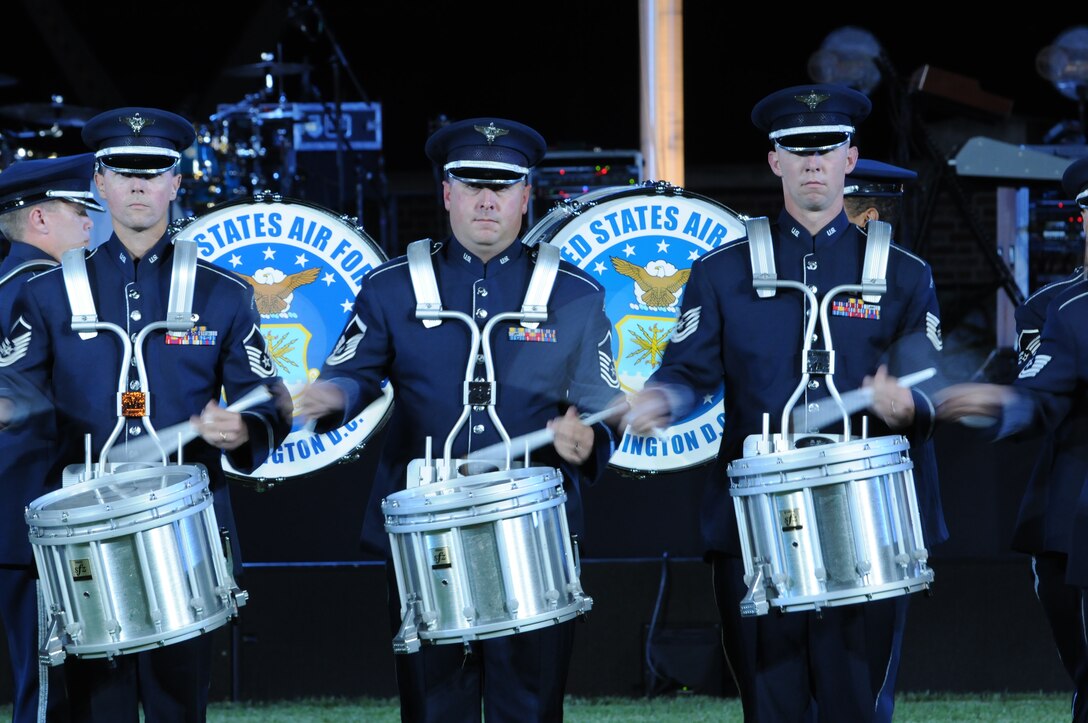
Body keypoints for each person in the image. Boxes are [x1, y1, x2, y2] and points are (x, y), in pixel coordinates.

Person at [620, 84, 947, 722]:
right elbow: (689, 370)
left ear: (851, 158)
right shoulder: (720, 272)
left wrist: (908, 406)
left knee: (856, 706)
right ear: (776, 162)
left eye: (827, 149)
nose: (813, 163)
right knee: (771, 708)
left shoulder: (906, 275)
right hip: (754, 524)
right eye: (797, 151)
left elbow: (923, 380)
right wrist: (662, 398)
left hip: (868, 518)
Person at [296, 116, 619, 722]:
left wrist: (590, 435)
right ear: (447, 193)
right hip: (424, 528)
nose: (487, 200)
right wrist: (327, 397)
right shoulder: (391, 288)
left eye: (502, 185)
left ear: (527, 195)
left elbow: (602, 402)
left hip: (535, 528)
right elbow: (353, 375)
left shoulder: (575, 292)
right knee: (433, 705)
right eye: (472, 185)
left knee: (529, 704)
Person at [0, 107, 292, 722]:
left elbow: (268, 396)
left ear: (175, 183)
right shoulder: (45, 294)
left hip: (185, 539)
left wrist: (244, 426)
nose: (138, 185)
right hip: (82, 538)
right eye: (123, 173)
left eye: (153, 172)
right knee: (88, 711)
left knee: (176, 710)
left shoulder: (224, 293)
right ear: (100, 184)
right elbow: (19, 397)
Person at [938, 157, 1088, 722]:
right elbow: (1041, 397)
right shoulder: (1062, 310)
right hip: (1075, 518)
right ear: (1083, 221)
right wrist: (1001, 401)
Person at [0, 153, 102, 723]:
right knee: (50, 689)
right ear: (40, 219)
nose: (91, 223)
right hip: (38, 511)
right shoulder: (40, 290)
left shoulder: (13, 281)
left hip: (28, 510)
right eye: (79, 210)